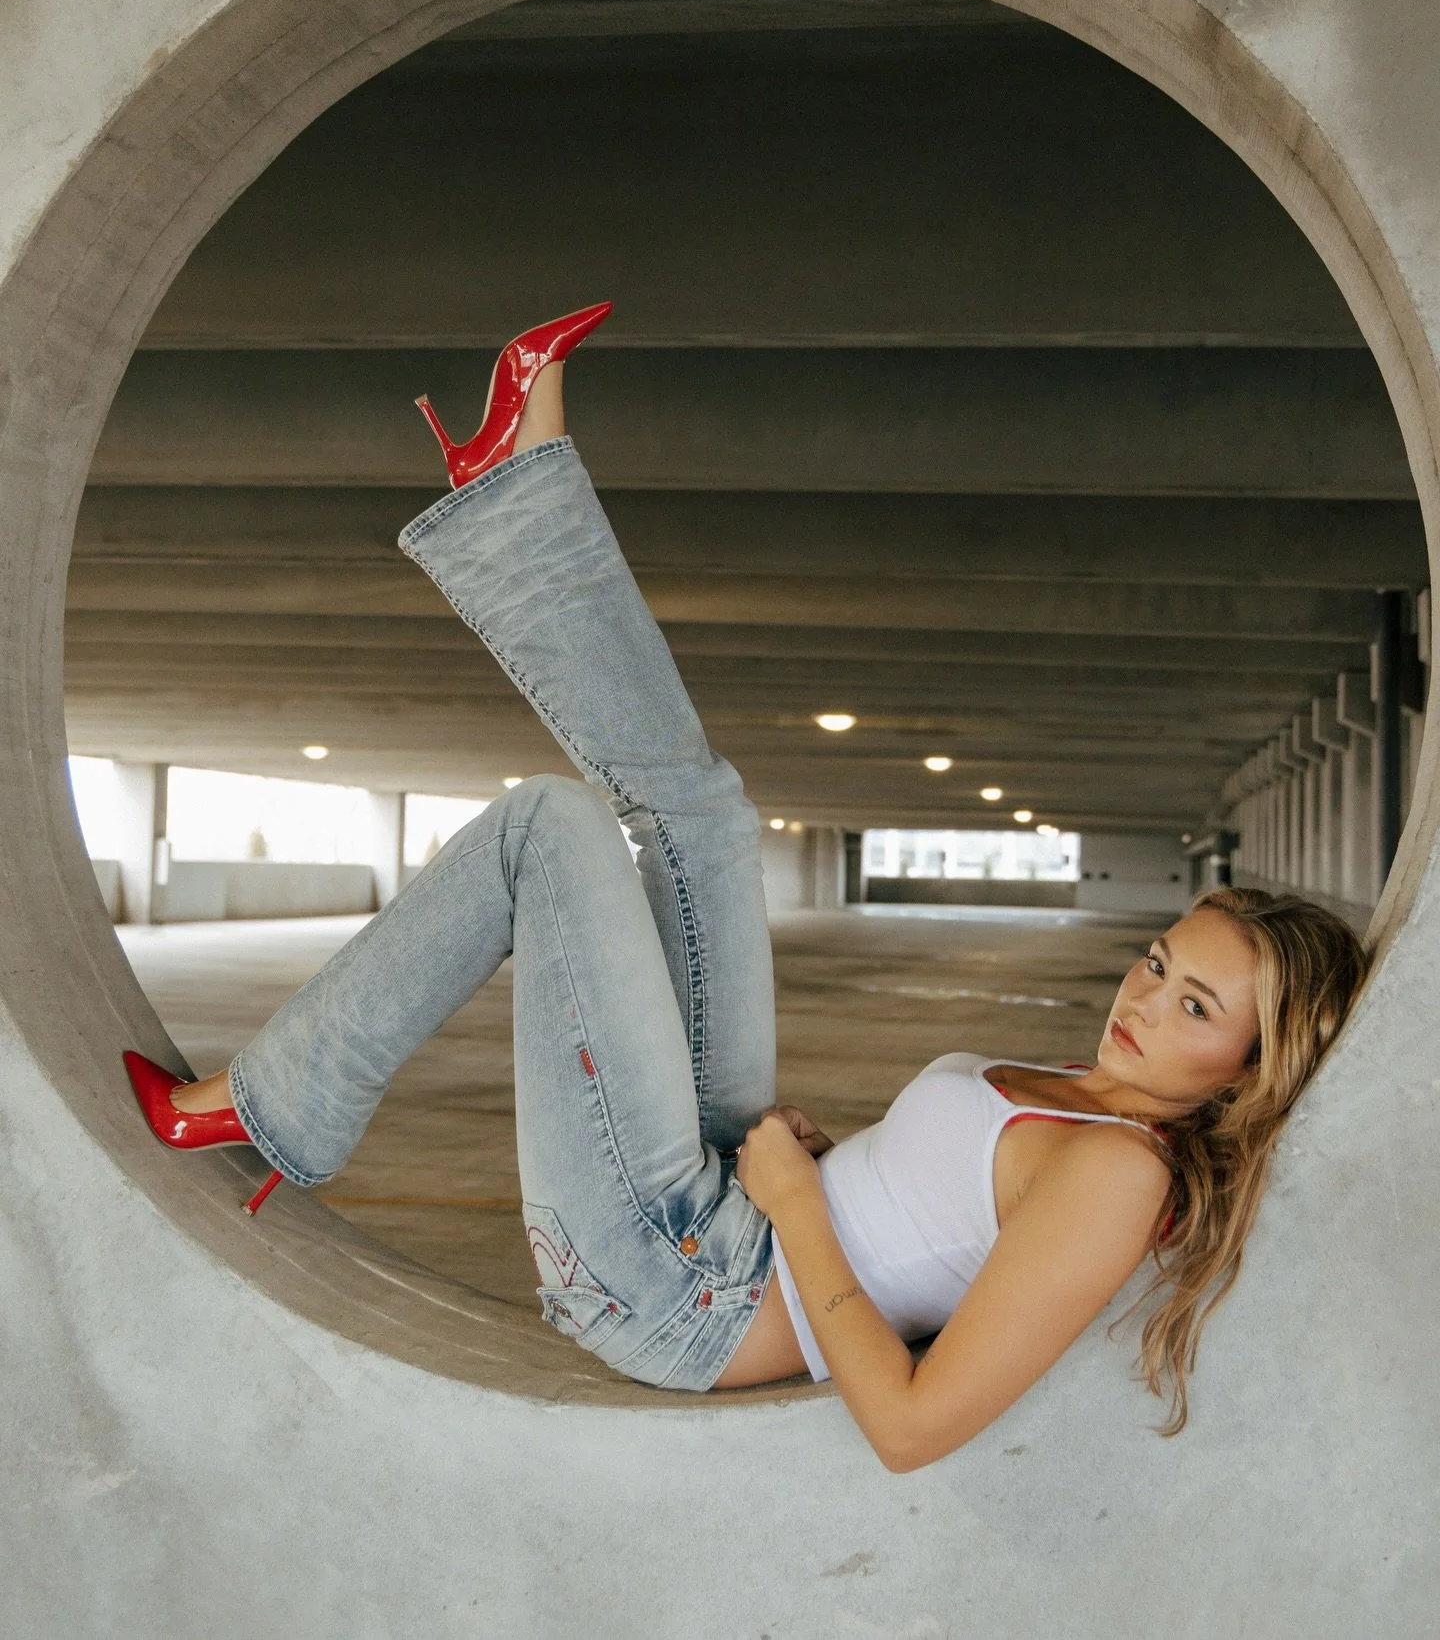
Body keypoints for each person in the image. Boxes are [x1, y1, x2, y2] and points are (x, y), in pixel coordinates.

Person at [122, 304, 1370, 1472]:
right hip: (740, 1204)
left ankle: (276, 1100)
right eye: (1161, 960)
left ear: (1251, 1071)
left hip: (683, 1289)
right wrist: (821, 1171)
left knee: (544, 828)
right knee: (707, 819)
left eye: (1199, 1008)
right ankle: (514, 493)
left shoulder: (1128, 1172)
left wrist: (796, 1209)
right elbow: (932, 1225)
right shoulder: (1095, 1097)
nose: (1146, 999)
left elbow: (911, 1422)